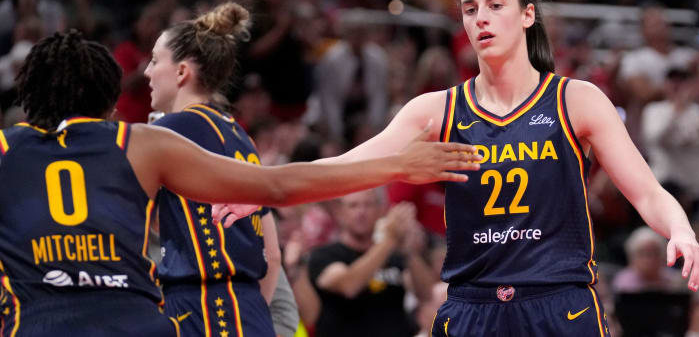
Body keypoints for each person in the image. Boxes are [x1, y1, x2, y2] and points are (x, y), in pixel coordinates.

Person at [216, 0, 699, 337]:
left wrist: (680, 230)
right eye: (471, 10)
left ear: (527, 15)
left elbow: (645, 191)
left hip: (559, 303)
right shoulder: (435, 110)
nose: (482, 19)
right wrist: (264, 190)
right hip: (472, 307)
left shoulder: (575, 99)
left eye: (496, 5)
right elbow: (346, 165)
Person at [0, 30, 478, 336]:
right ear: (109, 103)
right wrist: (396, 164)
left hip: (38, 322)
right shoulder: (140, 143)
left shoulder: (5, 150)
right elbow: (277, 188)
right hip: (134, 322)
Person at [142, 2, 279, 337]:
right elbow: (272, 255)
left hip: (203, 305)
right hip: (249, 308)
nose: (146, 71)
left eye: (155, 60)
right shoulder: (239, 134)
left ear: (181, 72)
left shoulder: (170, 130)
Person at [307, 191, 434, 337]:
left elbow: (426, 295)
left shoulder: (393, 256)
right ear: (340, 212)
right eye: (353, 206)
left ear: (380, 210)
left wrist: (409, 253)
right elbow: (349, 286)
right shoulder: (325, 255)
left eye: (368, 205)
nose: (361, 212)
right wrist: (390, 239)